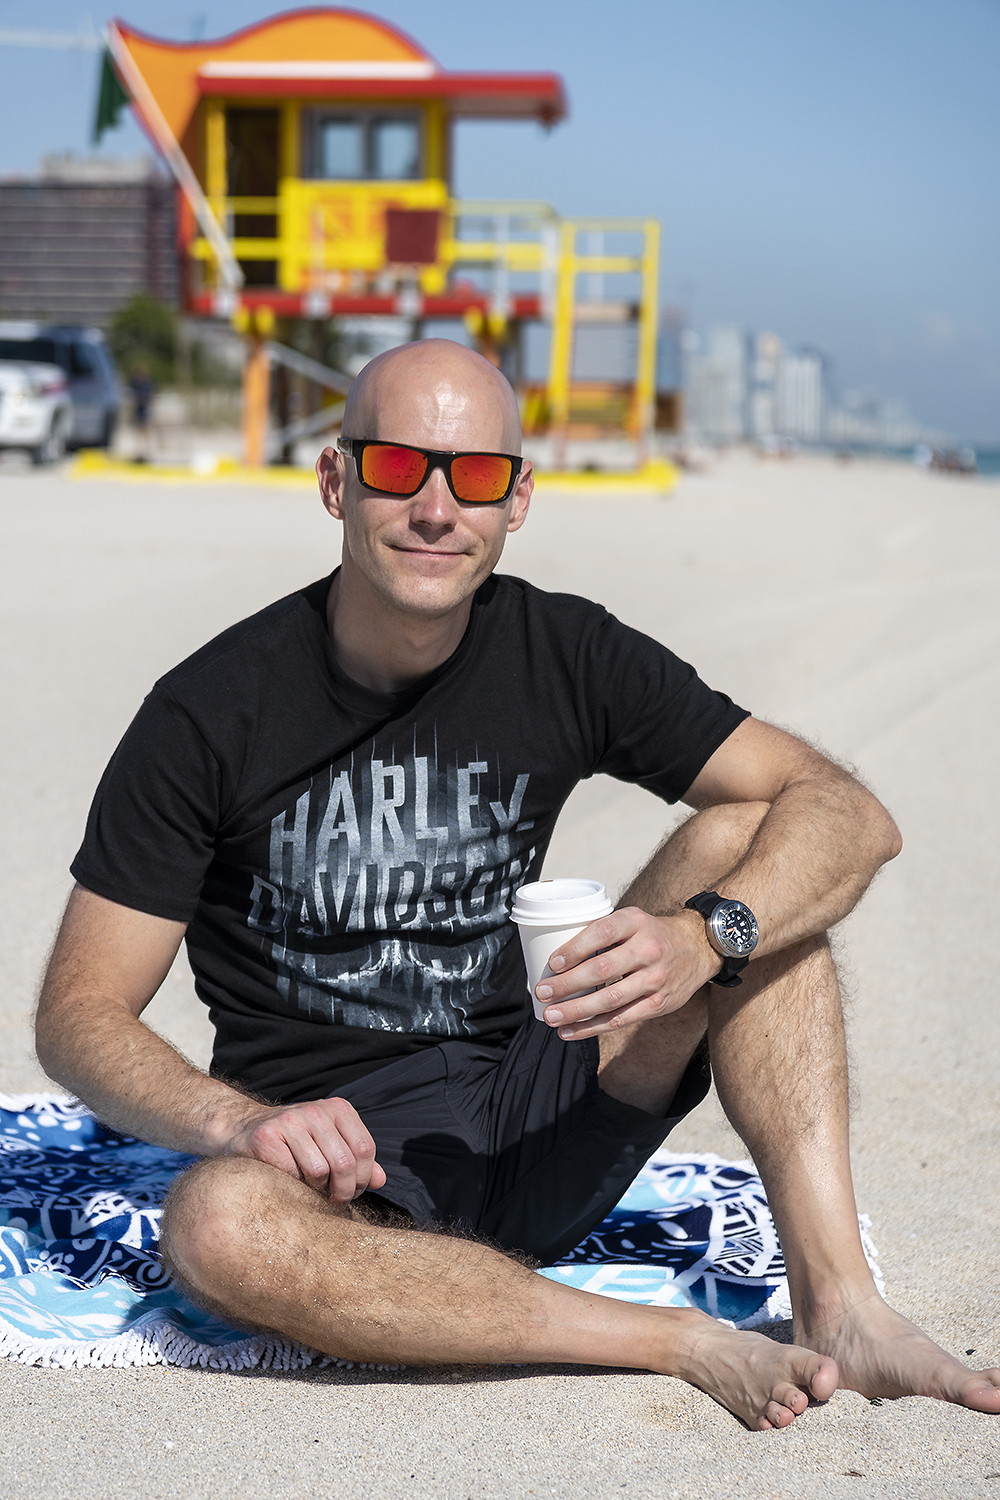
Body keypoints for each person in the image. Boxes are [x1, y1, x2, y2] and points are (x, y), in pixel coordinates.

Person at [35, 340, 1000, 1431]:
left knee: (752, 847)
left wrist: (705, 937)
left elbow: (850, 817)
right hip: (340, 1179)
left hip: (543, 1104)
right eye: (398, 467)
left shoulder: (561, 650)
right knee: (217, 1225)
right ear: (336, 481)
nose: (436, 509)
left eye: (476, 476)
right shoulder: (210, 711)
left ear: (519, 500)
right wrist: (235, 1121)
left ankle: (841, 1307)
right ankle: (668, 1342)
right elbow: (79, 1011)